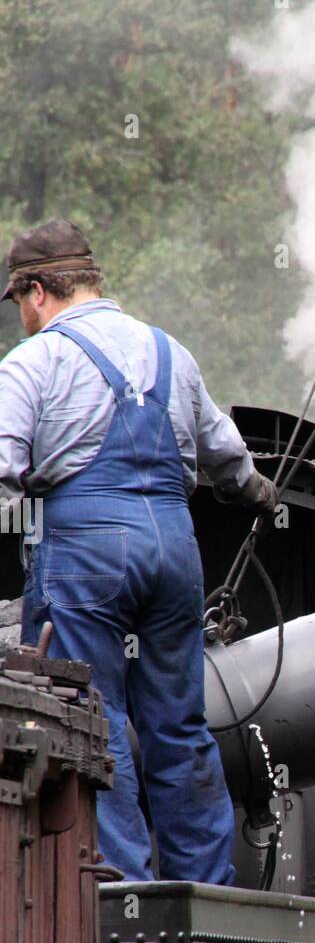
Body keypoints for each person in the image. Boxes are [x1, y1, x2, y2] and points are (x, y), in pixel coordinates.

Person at [0, 218, 277, 883]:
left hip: (86, 548)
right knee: (179, 726)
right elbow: (229, 459)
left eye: (19, 307)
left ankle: (118, 895)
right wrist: (260, 493)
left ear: (37, 292)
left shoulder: (33, 363)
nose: (21, 321)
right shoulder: (170, 353)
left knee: (93, 720)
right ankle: (201, 894)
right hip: (173, 548)